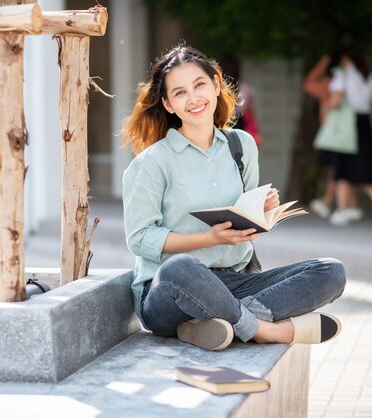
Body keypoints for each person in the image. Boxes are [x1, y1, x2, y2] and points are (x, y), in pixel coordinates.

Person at [121, 44, 346, 351]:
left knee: (330, 271)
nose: (193, 98)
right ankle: (265, 330)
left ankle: (211, 322)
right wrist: (209, 238)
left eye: (199, 85)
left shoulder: (241, 146)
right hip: (169, 290)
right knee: (180, 268)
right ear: (169, 104)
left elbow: (242, 228)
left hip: (234, 282)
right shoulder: (153, 162)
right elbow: (140, 238)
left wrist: (261, 213)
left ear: (216, 85)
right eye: (180, 92)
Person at [327, 48, 372, 224]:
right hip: (365, 123)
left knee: (343, 167)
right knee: (360, 163)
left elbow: (336, 100)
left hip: (347, 124)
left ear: (347, 59)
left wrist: (328, 107)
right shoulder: (370, 76)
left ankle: (343, 210)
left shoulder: (343, 75)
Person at [304, 54, 361, 224]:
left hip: (335, 134)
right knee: (340, 169)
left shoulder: (332, 82)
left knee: (337, 169)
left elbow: (309, 84)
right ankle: (349, 205)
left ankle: (336, 204)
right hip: (350, 131)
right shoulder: (354, 82)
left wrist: (322, 63)